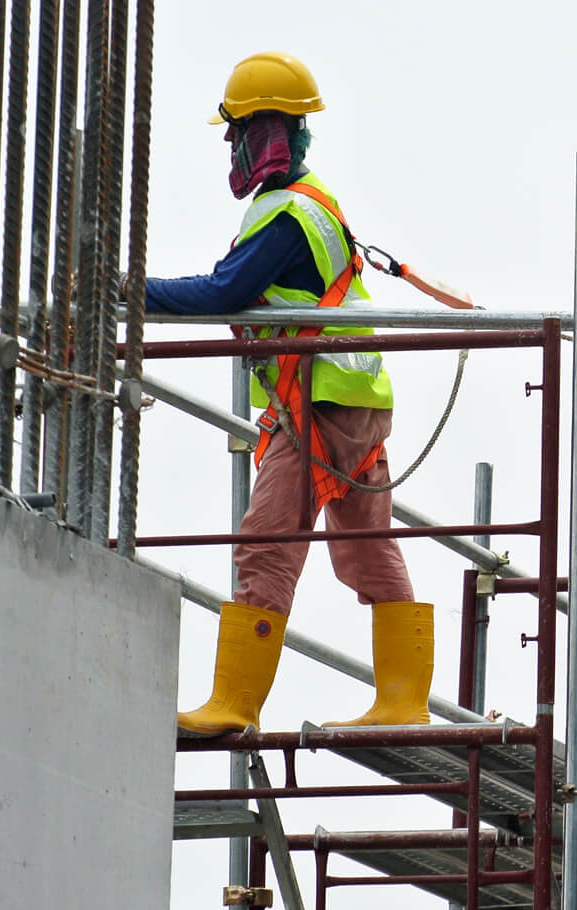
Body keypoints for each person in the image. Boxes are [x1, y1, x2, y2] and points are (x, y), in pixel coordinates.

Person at [156, 52, 434, 737]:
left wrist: (131, 290)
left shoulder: (284, 216)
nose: (232, 145)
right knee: (370, 545)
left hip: (316, 404)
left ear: (269, 132)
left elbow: (224, 291)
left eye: (239, 130)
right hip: (355, 397)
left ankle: (234, 704)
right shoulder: (317, 204)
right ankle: (404, 703)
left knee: (267, 543)